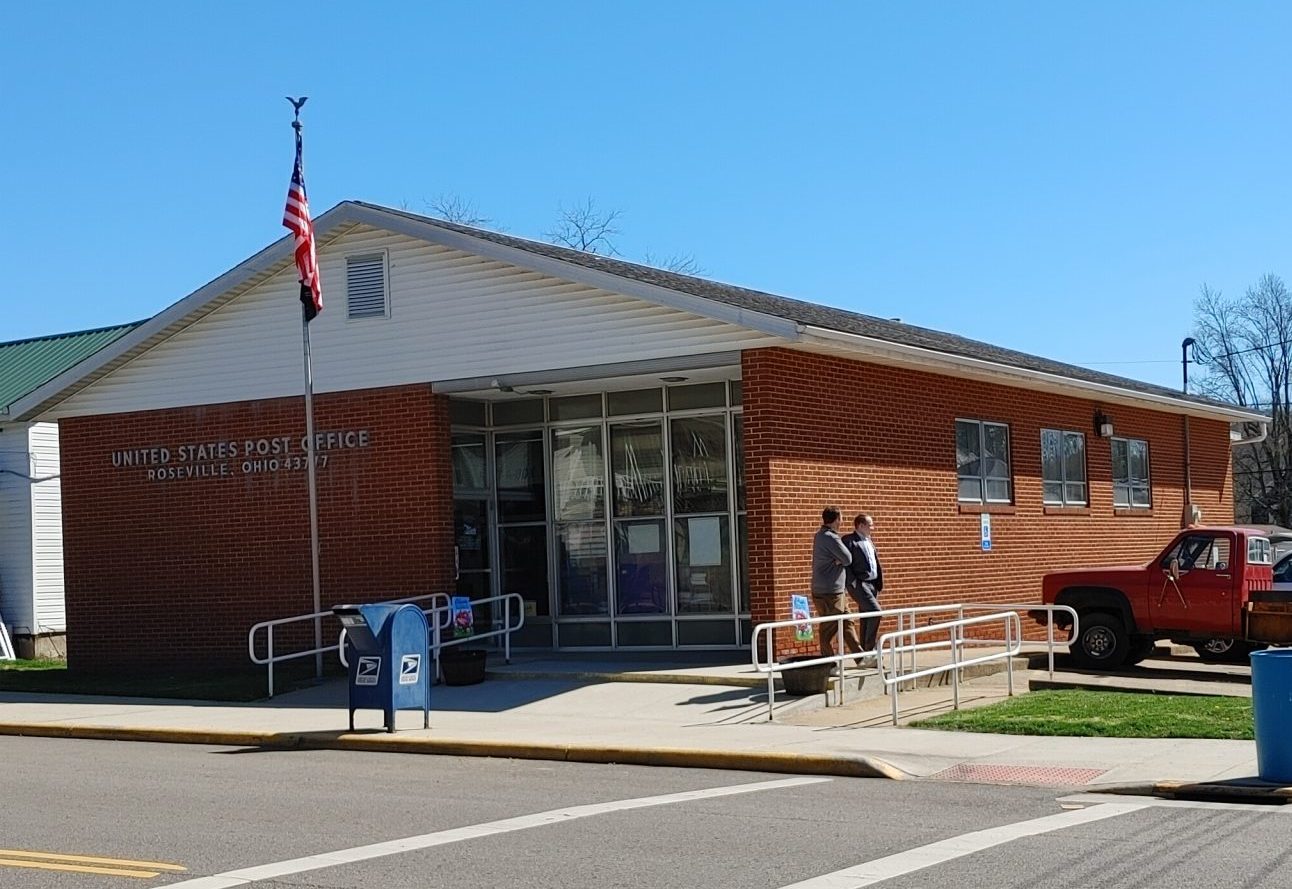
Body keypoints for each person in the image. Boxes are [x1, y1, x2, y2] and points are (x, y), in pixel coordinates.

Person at [811, 506, 863, 663]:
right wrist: (839, 559)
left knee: (847, 622)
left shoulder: (820, 535)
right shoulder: (830, 537)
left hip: (831, 589)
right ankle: (828, 662)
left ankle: (860, 658)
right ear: (835, 520)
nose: (842, 521)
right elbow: (848, 558)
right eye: (841, 518)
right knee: (830, 627)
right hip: (830, 591)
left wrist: (837, 559)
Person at [843, 513, 883, 653]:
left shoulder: (869, 540)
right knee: (876, 612)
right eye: (870, 524)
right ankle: (869, 649)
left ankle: (864, 652)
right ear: (860, 526)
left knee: (866, 616)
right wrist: (853, 582)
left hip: (872, 584)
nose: (873, 527)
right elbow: (845, 563)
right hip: (860, 583)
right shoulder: (849, 541)